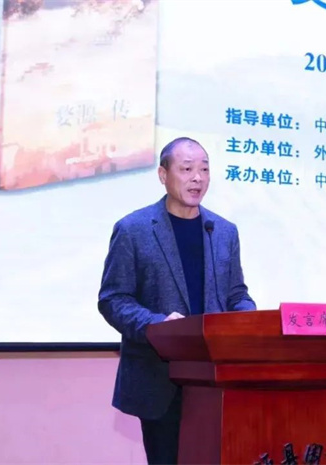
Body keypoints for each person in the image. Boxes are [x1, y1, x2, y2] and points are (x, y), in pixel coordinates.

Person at [97, 136, 256, 465]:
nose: (197, 178)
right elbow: (113, 299)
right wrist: (158, 326)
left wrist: (248, 320)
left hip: (216, 379)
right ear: (163, 174)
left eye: (204, 170)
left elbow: (236, 294)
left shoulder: (223, 231)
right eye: (186, 169)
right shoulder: (133, 229)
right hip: (161, 379)